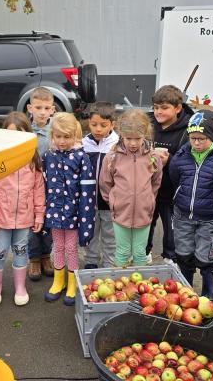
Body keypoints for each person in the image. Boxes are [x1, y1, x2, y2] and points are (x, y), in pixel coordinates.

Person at [0, 112, 45, 306]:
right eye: (10, 134)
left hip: (25, 218)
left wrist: (39, 215)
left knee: (21, 251)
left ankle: (20, 287)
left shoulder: (32, 158)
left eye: (19, 133)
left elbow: (38, 189)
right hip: (1, 218)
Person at [167, 110, 213, 302]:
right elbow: (175, 178)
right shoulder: (181, 156)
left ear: (211, 136)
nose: (196, 143)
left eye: (201, 138)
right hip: (183, 214)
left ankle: (208, 292)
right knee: (184, 253)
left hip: (208, 216)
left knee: (207, 256)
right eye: (193, 138)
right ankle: (187, 289)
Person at [42, 112, 96, 306]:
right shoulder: (49, 155)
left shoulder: (81, 157)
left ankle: (73, 283)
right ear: (52, 136)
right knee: (58, 247)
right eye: (58, 136)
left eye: (67, 137)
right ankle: (58, 281)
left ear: (75, 136)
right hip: (54, 212)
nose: (62, 141)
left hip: (73, 213)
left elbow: (87, 190)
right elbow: (43, 184)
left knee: (71, 248)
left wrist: (85, 216)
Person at [99, 109, 163, 267]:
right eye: (128, 138)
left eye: (138, 138)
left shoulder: (153, 157)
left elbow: (156, 182)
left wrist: (148, 200)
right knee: (122, 251)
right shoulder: (112, 157)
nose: (133, 143)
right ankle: (121, 287)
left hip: (144, 213)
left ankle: (140, 289)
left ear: (145, 135)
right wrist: (115, 202)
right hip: (121, 213)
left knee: (140, 252)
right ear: (120, 133)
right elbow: (105, 183)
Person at [147, 85, 195, 265]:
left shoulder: (188, 130)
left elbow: (191, 162)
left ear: (178, 108)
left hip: (172, 191)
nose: (158, 112)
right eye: (156, 107)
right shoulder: (148, 124)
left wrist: (170, 161)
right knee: (147, 223)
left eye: (164, 108)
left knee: (171, 228)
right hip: (149, 189)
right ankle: (144, 253)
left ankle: (170, 258)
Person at [81, 102, 120, 269]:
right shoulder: (83, 144)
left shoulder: (118, 144)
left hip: (109, 202)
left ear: (112, 124)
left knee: (110, 235)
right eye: (93, 124)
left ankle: (110, 264)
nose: (98, 129)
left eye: (103, 125)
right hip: (88, 201)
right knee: (91, 232)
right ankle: (91, 261)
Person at [26, 88, 56, 280]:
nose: (42, 112)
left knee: (48, 223)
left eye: (46, 108)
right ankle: (34, 259)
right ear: (30, 108)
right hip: (30, 186)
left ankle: (46, 256)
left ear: (53, 109)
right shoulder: (25, 132)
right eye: (38, 107)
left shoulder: (56, 131)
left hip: (51, 186)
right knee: (31, 222)